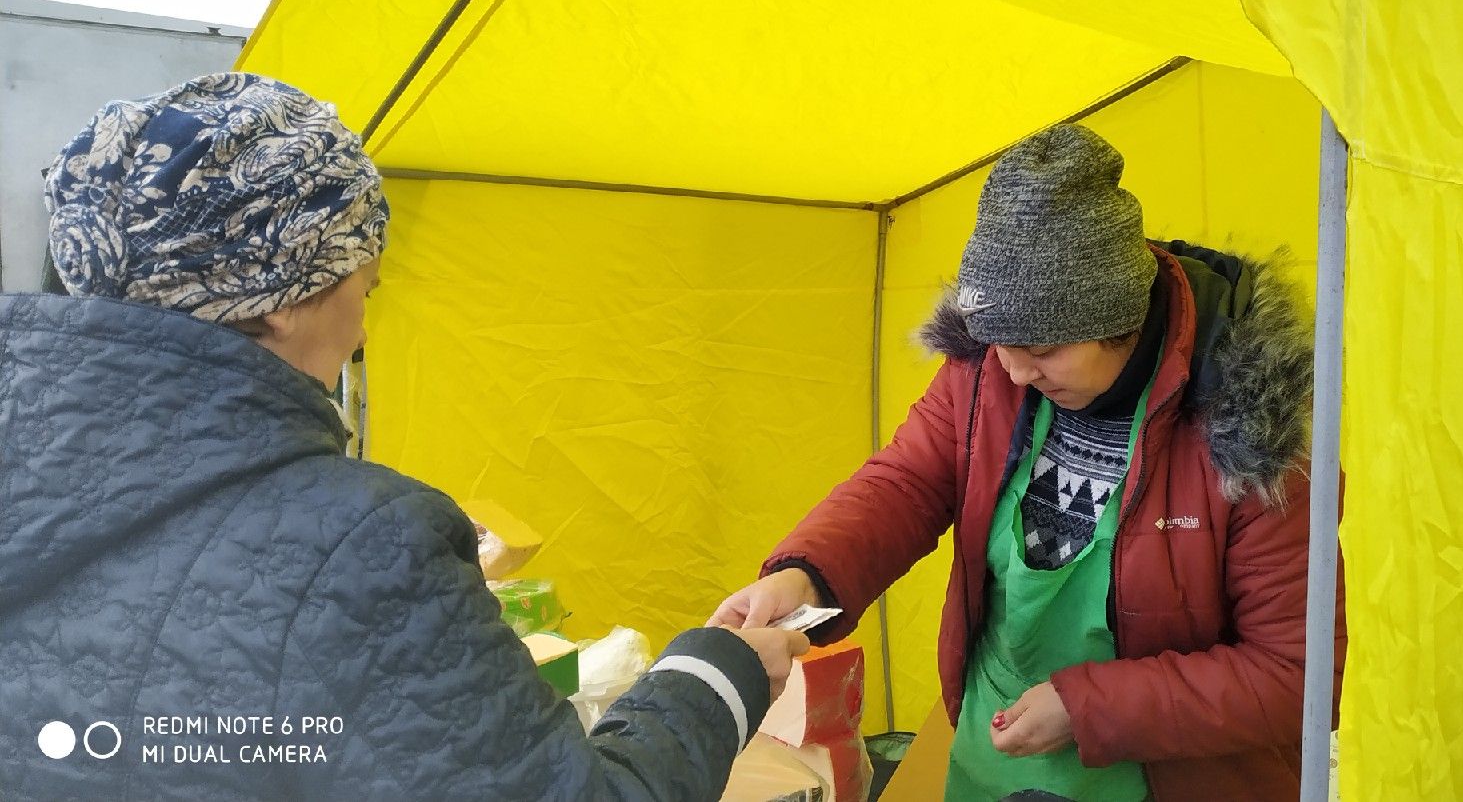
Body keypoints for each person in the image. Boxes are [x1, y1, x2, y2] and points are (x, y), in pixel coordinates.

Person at [0, 72, 807, 801]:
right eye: (364, 277)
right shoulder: (359, 546)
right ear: (280, 297)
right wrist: (713, 676)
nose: (361, 326)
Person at [711, 124, 1346, 801]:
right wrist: (807, 577)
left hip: (1167, 775)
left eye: (1041, 348)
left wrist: (1088, 707)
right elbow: (905, 483)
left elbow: (1296, 675)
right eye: (998, 343)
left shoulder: (1256, 435)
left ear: (1120, 319)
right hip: (998, 753)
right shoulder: (989, 369)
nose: (1013, 370)